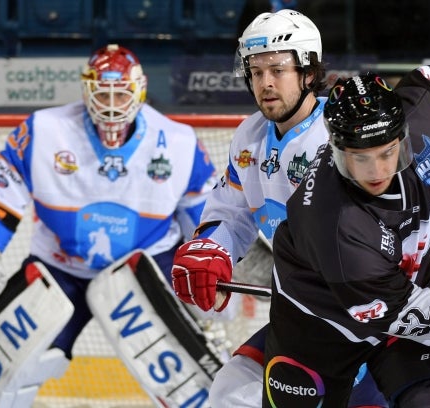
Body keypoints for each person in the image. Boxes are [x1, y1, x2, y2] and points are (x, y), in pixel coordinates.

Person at [180, 68, 430, 406]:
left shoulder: (421, 125)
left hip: (399, 303)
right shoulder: (332, 221)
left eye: (387, 152)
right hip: (319, 331)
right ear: (334, 151)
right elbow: (400, 307)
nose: (377, 170)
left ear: (402, 134)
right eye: (360, 158)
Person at [0, 44, 217, 406]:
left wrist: (216, 268)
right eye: (101, 94)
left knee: (191, 382)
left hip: (148, 265)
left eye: (120, 94)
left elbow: (211, 216)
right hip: (60, 267)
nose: (110, 105)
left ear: (139, 91)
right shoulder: (44, 131)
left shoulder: (179, 142)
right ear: (85, 90)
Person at [170, 9, 388, 407]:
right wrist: (210, 249)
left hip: (377, 319)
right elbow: (232, 212)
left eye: (277, 69)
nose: (265, 83)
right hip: (306, 315)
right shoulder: (249, 135)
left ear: (308, 72)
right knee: (231, 394)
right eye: (255, 71)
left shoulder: (345, 131)